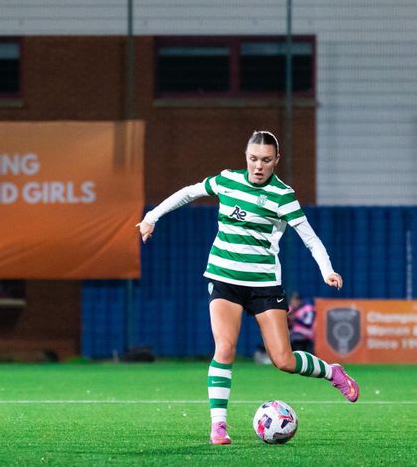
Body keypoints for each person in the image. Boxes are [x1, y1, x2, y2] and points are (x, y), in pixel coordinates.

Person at [135, 130, 359, 446]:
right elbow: (189, 192)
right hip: (224, 277)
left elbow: (309, 238)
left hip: (265, 284)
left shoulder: (283, 196)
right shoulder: (228, 180)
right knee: (224, 348)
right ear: (246, 157)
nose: (258, 166)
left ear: (276, 161)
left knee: (284, 360)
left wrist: (327, 269)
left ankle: (332, 372)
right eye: (253, 159)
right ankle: (219, 426)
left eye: (266, 160)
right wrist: (152, 217)